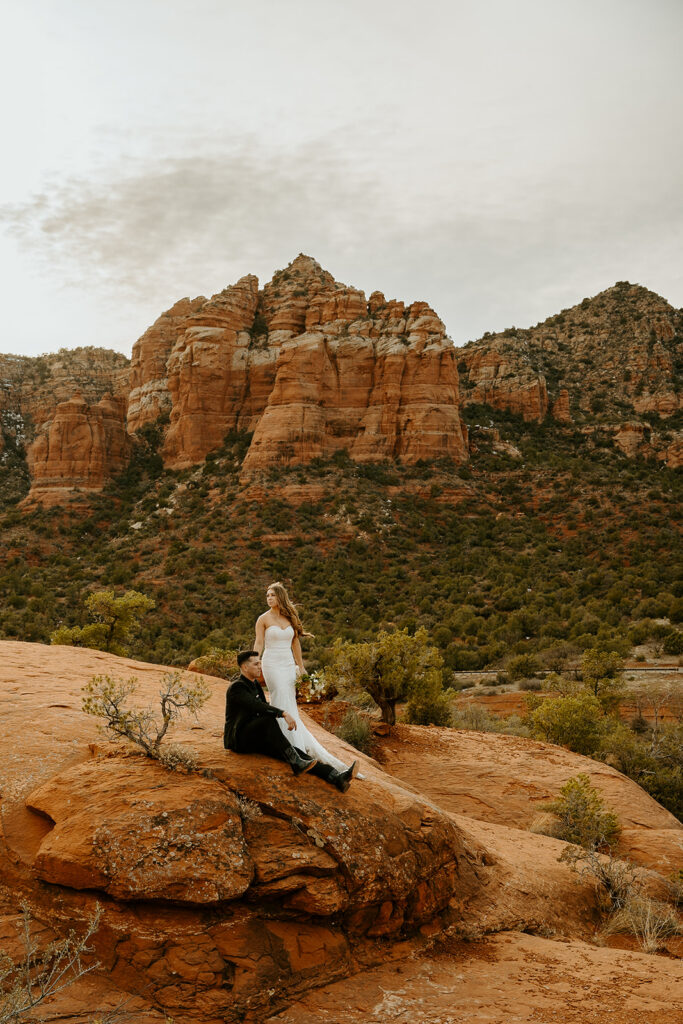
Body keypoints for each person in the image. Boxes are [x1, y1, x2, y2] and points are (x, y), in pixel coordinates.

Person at [255, 581, 357, 776]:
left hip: (287, 665)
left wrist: (300, 667)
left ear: (280, 597)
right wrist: (255, 661)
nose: (269, 598)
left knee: (290, 701)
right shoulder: (263, 619)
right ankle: (289, 745)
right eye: (267, 595)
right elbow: (259, 642)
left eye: (272, 595)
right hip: (271, 664)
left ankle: (294, 743)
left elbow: (295, 643)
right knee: (281, 698)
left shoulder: (290, 617)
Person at [224, 650, 355, 792]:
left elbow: (263, 706)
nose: (260, 667)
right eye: (256, 664)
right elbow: (257, 706)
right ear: (244, 667)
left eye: (260, 663)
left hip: (256, 736)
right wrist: (282, 713)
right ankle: (297, 762)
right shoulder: (237, 687)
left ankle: (336, 777)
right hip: (239, 739)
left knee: (294, 751)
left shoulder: (255, 685)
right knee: (268, 720)